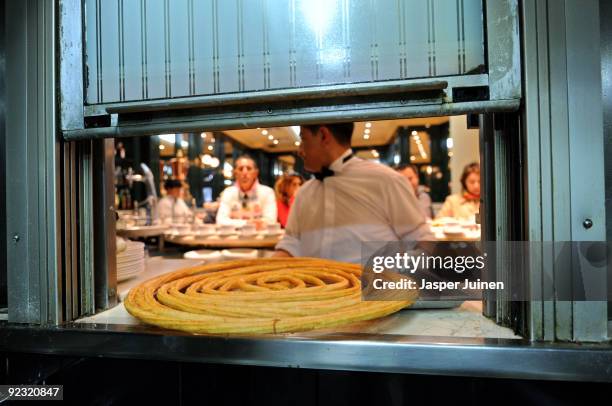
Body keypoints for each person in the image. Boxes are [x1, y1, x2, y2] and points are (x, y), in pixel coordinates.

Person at [274, 123, 433, 263]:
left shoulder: (386, 180)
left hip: (373, 293)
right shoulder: (304, 193)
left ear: (323, 135)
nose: (299, 150)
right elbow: (292, 241)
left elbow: (422, 241)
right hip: (314, 292)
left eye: (304, 139)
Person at [216, 155, 277, 227]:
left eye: (249, 168)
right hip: (234, 237)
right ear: (235, 173)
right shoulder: (228, 192)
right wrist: (247, 223)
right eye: (241, 169)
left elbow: (271, 221)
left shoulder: (267, 192)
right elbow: (220, 220)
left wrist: (233, 222)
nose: (244, 173)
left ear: (256, 173)